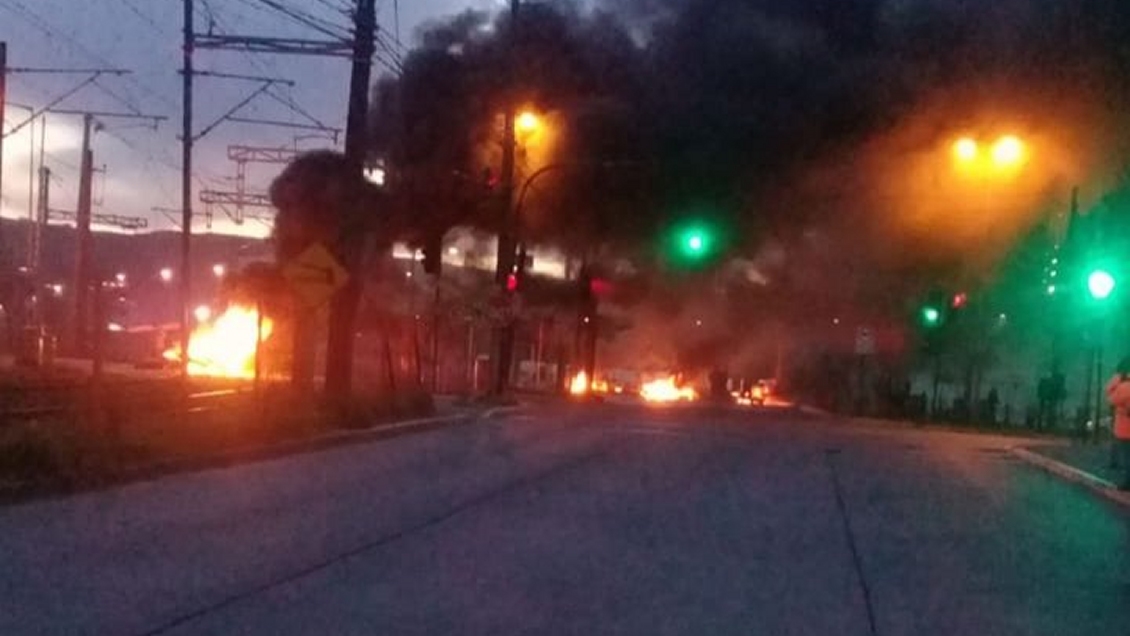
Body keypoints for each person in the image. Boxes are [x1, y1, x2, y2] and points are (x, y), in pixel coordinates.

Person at [1105, 358, 1130, 489]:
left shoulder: (1124, 387)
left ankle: (1127, 482)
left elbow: (1111, 397)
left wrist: (1117, 378)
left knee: (1127, 457)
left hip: (1125, 429)